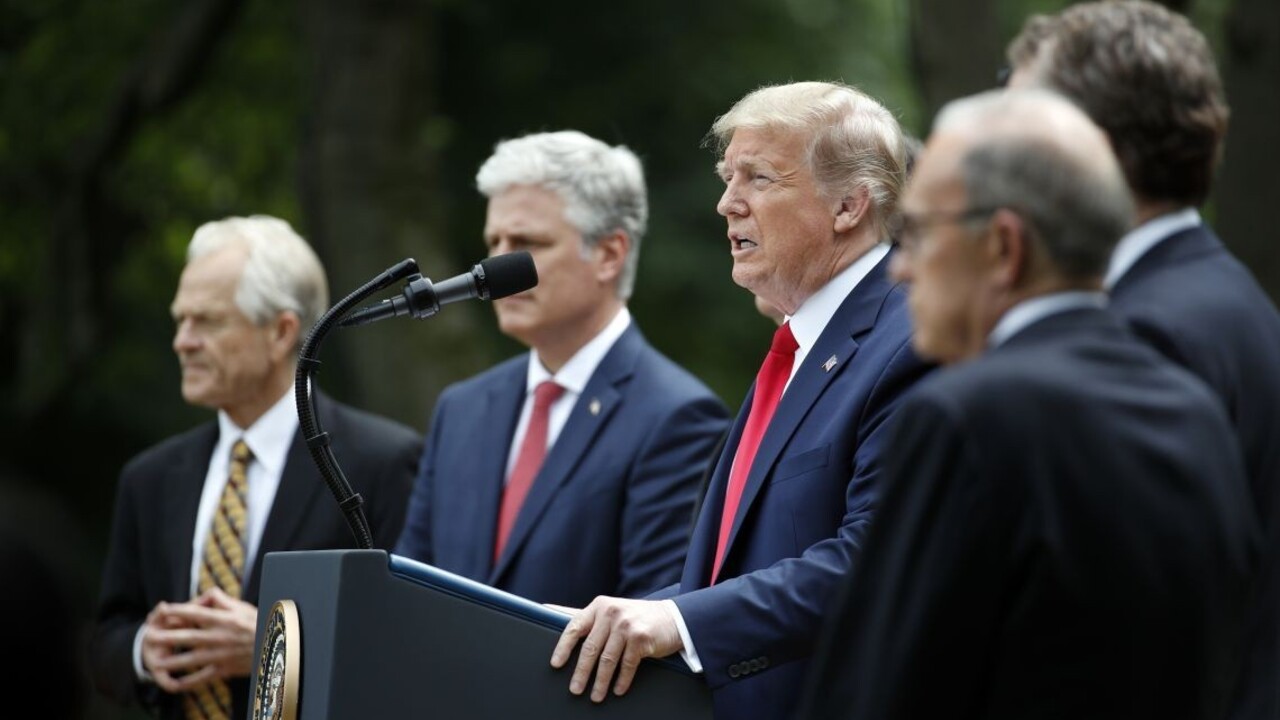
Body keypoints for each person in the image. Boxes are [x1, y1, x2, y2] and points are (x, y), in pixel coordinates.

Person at [794, 88, 1260, 720]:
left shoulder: (966, 418)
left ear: (1003, 248)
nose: (900, 268)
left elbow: (879, 684)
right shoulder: (1192, 409)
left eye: (919, 233)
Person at [548, 82, 932, 720]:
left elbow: (878, 558)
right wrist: (622, 622)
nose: (727, 203)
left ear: (848, 205)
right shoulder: (804, 346)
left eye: (758, 178)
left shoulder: (909, 341)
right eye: (728, 178)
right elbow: (736, 570)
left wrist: (679, 621)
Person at [1007, 4, 1280, 716]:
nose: (997, 159)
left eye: (1023, 130)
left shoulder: (1143, 334)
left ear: (1095, 150)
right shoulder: (1216, 293)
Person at [88, 215, 421, 720]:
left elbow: (408, 643)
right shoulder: (149, 477)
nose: (182, 341)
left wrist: (276, 645)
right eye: (180, 320)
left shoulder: (380, 463)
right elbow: (106, 640)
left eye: (207, 321)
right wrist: (142, 649)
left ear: (281, 332)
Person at [393, 130, 729, 607]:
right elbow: (409, 590)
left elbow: (650, 619)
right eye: (494, 242)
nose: (494, 268)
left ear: (609, 255)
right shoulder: (462, 408)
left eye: (525, 243)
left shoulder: (678, 417)